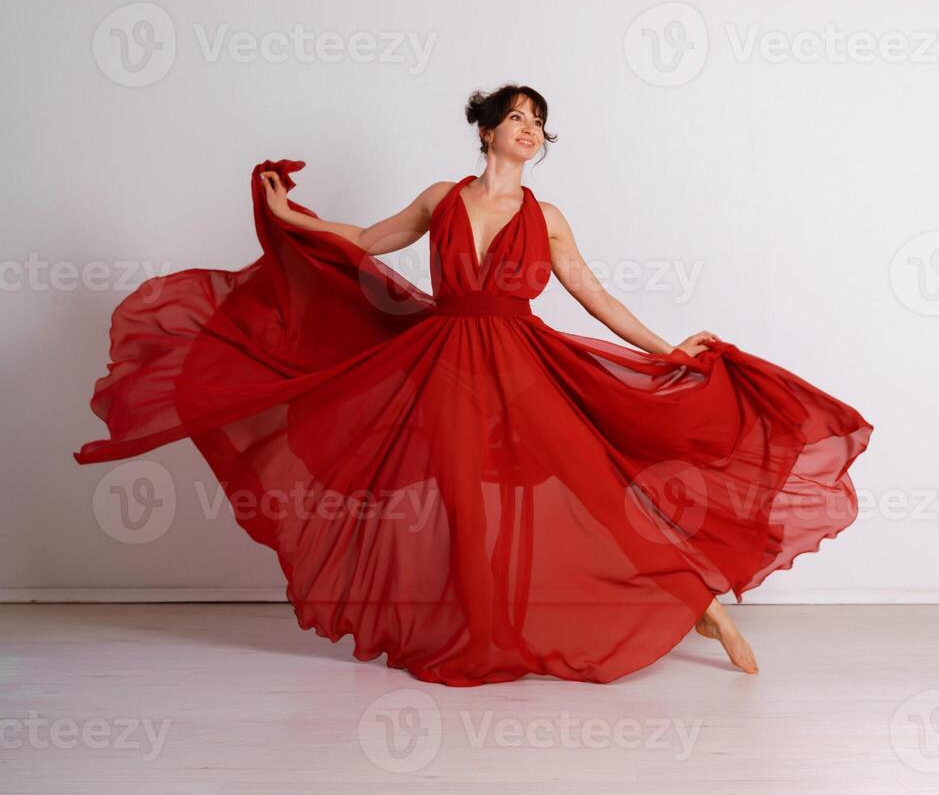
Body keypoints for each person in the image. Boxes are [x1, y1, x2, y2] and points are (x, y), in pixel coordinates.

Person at [74, 83, 873, 687]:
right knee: (460, 500)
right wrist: (291, 221)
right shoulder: (441, 198)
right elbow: (366, 240)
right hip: (445, 364)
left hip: (525, 366)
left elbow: (593, 295)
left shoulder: (547, 214)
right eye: (517, 117)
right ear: (487, 128)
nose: (530, 131)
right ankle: (484, 632)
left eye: (539, 123)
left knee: (595, 487)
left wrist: (668, 350)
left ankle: (702, 608)